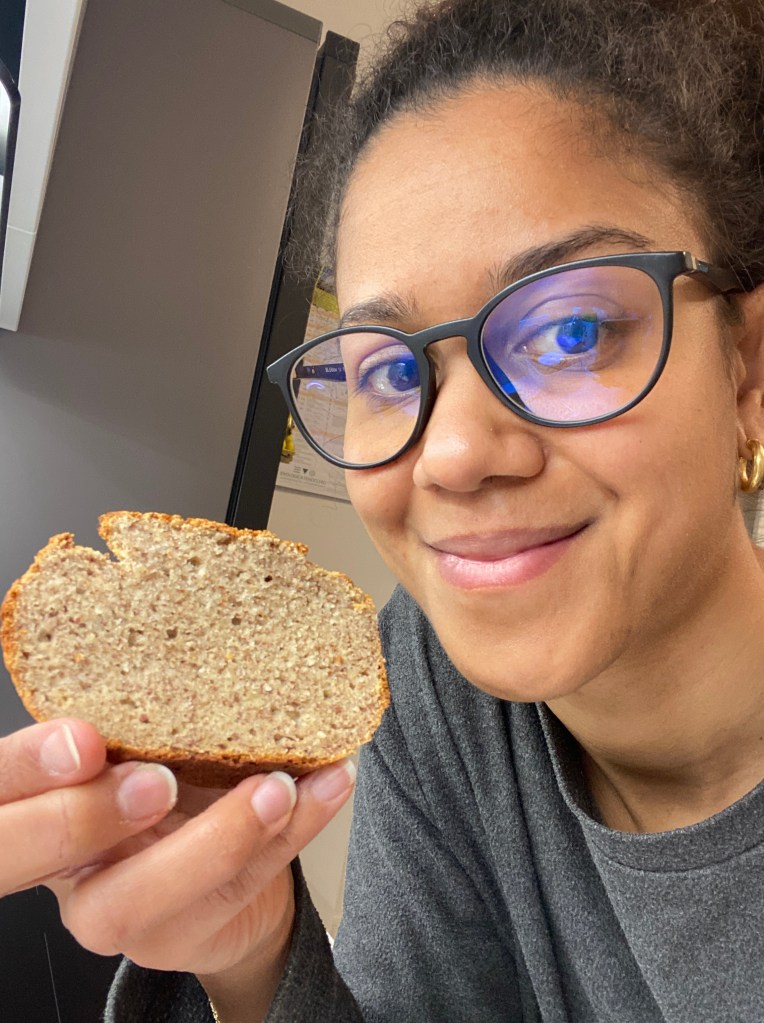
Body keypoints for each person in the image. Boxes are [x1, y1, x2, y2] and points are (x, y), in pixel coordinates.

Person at [2, 0, 763, 1019]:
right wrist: (250, 953)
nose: (452, 454)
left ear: (748, 368)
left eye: (571, 331)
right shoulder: (430, 677)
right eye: (389, 371)